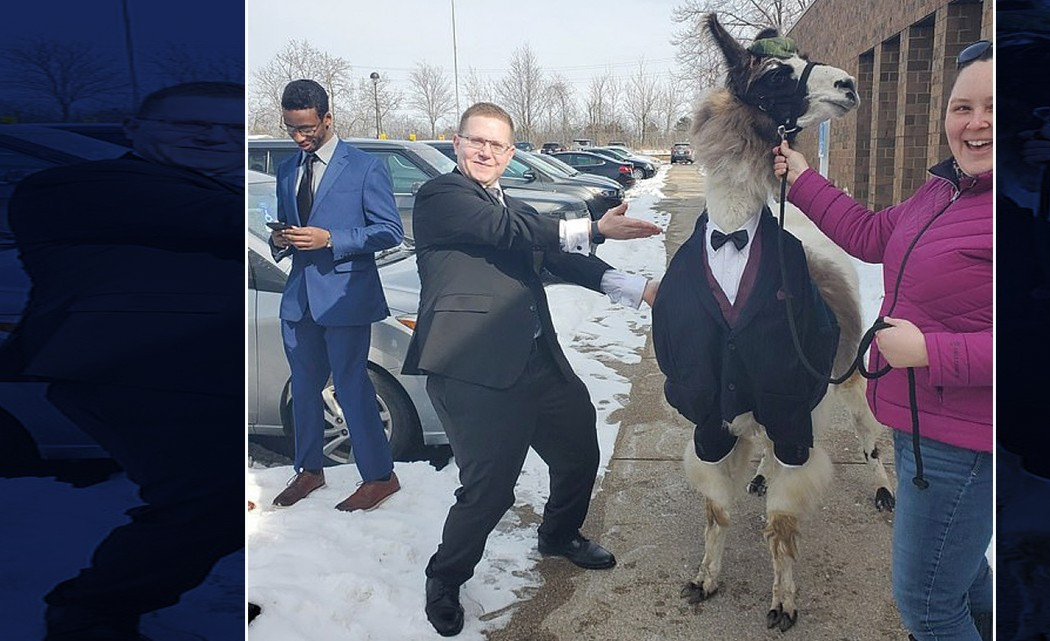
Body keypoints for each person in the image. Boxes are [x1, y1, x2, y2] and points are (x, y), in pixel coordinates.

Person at [402, 102, 661, 637]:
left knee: (579, 450)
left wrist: (641, 288)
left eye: (496, 145)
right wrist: (594, 227)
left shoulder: (512, 207)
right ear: (457, 143)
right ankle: (445, 577)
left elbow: (558, 257)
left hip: (537, 360)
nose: (485, 152)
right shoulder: (441, 198)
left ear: (510, 154)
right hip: (472, 369)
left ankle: (559, 535)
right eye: (476, 141)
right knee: (489, 491)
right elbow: (505, 230)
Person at [1, 82, 245, 641]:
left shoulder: (216, 191)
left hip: (211, 373)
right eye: (191, 124)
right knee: (213, 500)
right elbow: (223, 223)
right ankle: (90, 613)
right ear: (133, 129)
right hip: (133, 370)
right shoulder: (76, 184)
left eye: (233, 128)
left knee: (217, 501)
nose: (212, 136)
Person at [773, 42, 994, 641]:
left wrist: (931, 352)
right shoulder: (942, 194)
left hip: (963, 442)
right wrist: (803, 178)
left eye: (995, 107)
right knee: (964, 573)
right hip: (919, 423)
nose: (975, 123)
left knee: (926, 603)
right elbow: (870, 235)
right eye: (962, 106)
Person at [268, 79, 405, 512]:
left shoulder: (364, 167)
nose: (299, 137)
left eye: (307, 128)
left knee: (349, 386)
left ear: (327, 118)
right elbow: (287, 224)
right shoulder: (288, 168)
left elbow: (390, 231)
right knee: (304, 388)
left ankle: (379, 476)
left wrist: (331, 238)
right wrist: (281, 241)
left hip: (346, 296)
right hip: (299, 298)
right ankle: (309, 470)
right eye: (291, 128)